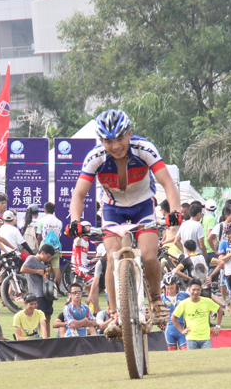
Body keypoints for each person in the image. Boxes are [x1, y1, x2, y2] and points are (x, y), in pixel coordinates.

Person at [67, 109, 182, 327]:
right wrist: (75, 221)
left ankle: (156, 300)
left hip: (143, 207)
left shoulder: (144, 149)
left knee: (149, 257)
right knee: (112, 256)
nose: (115, 146)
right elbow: (79, 194)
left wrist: (175, 211)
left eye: (120, 138)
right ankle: (114, 314)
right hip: (113, 210)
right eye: (109, 141)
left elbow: (167, 182)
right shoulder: (95, 157)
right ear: (101, 141)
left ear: (129, 134)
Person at [171, 278, 222, 349]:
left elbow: (219, 310)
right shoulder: (184, 303)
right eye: (193, 290)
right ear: (189, 290)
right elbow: (173, 317)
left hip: (205, 338)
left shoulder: (207, 301)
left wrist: (218, 326)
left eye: (198, 290)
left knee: (208, 356)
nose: (196, 292)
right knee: (192, 356)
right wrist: (182, 330)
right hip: (191, 339)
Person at [20, 244, 56, 336]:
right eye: (48, 256)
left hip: (46, 293)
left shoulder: (42, 263)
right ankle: (41, 339)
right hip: (37, 294)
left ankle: (47, 339)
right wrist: (37, 271)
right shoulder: (32, 258)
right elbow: (22, 269)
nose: (48, 259)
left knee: (47, 317)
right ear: (42, 253)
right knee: (40, 319)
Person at [36, 202, 63, 289]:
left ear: (45, 211)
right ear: (54, 210)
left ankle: (41, 287)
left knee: (39, 265)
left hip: (44, 247)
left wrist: (39, 245)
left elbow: (39, 236)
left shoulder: (42, 221)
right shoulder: (59, 222)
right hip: (56, 247)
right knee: (56, 269)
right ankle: (57, 289)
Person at [161, 273, 189, 351]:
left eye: (172, 284)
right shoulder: (161, 298)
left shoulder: (184, 295)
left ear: (176, 283)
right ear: (164, 285)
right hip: (169, 331)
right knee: (171, 354)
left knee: (186, 353)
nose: (169, 286)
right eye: (167, 284)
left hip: (183, 329)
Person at [71, 221, 94, 286]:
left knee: (85, 287)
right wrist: (80, 234)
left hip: (83, 267)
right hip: (78, 267)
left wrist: (91, 261)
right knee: (93, 285)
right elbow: (76, 242)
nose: (88, 232)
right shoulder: (79, 240)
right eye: (86, 229)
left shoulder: (87, 243)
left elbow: (83, 258)